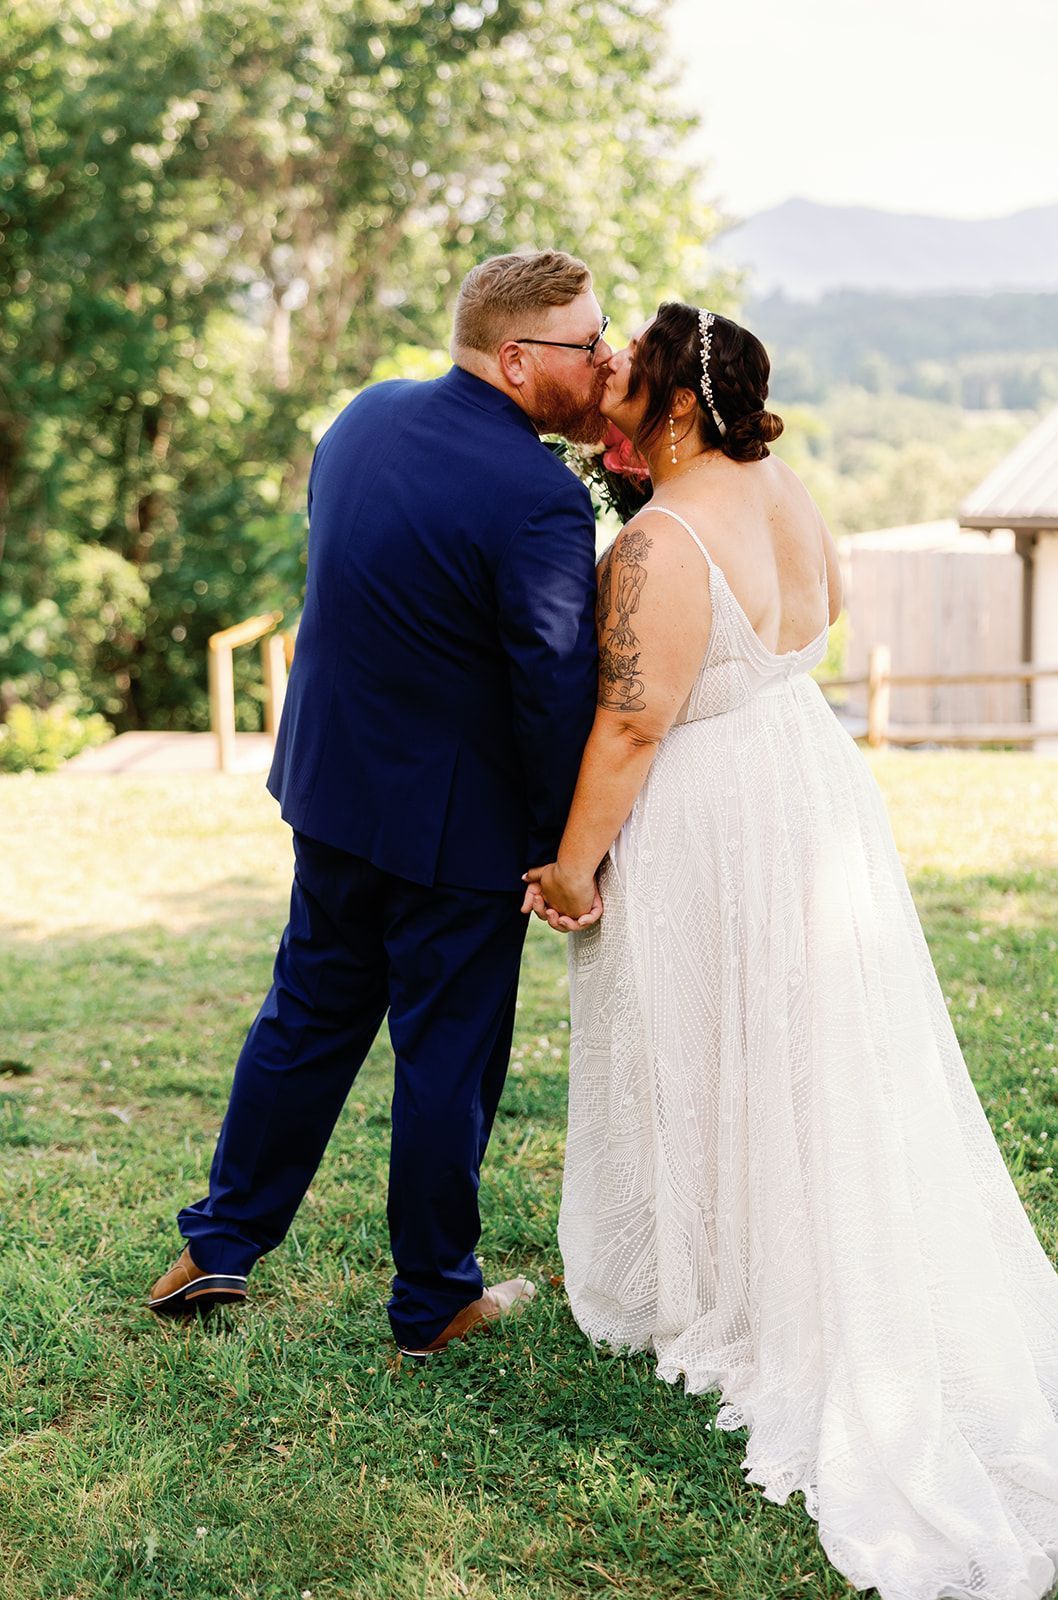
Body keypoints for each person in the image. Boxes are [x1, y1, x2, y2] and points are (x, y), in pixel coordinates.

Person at [524, 304, 1058, 1600]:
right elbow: (810, 620)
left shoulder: (654, 540)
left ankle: (732, 1292)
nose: (611, 402)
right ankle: (764, 1266)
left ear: (682, 407)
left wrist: (575, 863)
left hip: (710, 812)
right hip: (805, 781)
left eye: (631, 385)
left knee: (703, 1045)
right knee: (802, 1052)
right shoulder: (791, 491)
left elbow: (634, 728)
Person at [148, 250, 608, 1357]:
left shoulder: (360, 419)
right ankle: (433, 1299)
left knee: (304, 1018)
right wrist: (561, 847)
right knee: (446, 1059)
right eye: (586, 346)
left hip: (332, 792)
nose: (602, 364)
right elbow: (550, 685)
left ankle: (216, 1244)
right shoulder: (539, 495)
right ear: (515, 359)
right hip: (457, 831)